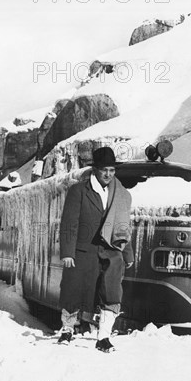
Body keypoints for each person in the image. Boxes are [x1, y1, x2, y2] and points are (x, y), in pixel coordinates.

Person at [58, 146, 134, 353]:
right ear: (95, 170)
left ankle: (104, 337)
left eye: (112, 170)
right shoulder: (79, 190)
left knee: (112, 293)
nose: (108, 174)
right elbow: (69, 223)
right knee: (73, 290)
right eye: (104, 170)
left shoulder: (121, 194)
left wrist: (127, 253)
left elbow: (124, 226)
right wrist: (67, 252)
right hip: (84, 250)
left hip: (111, 251)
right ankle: (67, 329)